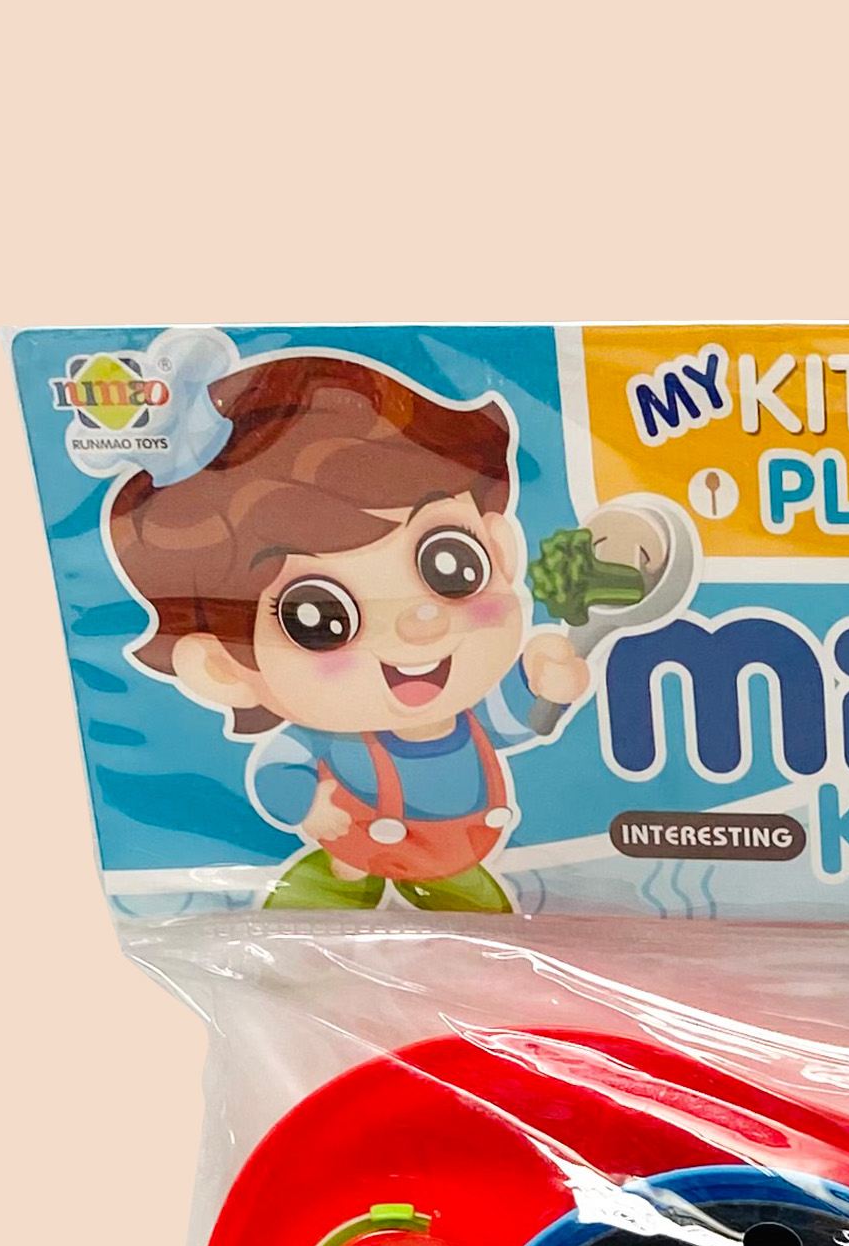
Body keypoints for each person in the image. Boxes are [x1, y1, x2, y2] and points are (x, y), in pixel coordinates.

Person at [109, 350, 591, 912]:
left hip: (458, 854)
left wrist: (545, 687)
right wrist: (306, 808)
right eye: (320, 618)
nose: (418, 624)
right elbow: (280, 770)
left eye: (452, 566)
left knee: (482, 918)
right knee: (311, 922)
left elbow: (512, 723)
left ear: (500, 553)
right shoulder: (323, 741)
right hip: (353, 848)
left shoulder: (470, 720)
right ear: (224, 666)